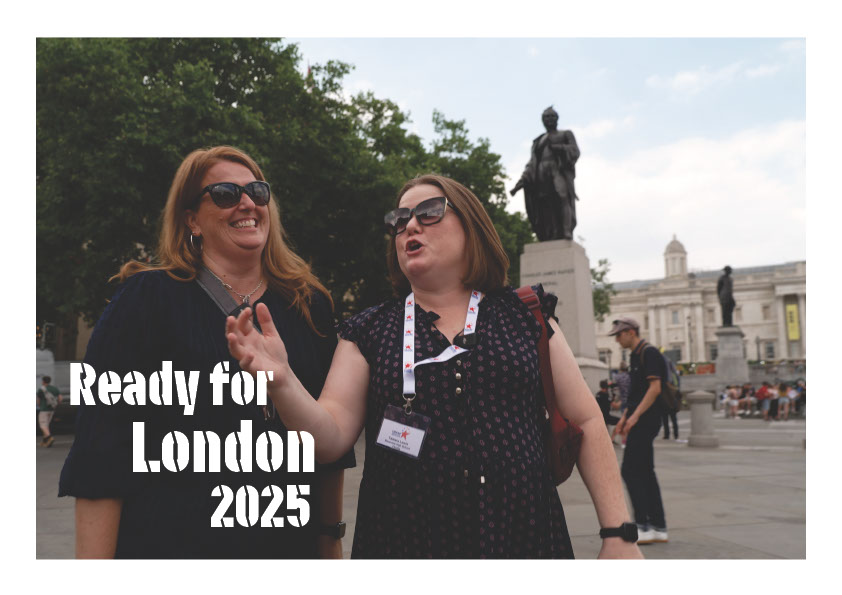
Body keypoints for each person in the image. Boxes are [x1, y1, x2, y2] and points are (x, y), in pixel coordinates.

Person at [227, 174, 643, 559]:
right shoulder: (368, 330)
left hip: (525, 541)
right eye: (400, 219)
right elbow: (330, 438)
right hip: (404, 546)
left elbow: (586, 420)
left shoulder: (525, 315)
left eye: (429, 212)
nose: (410, 225)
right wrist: (282, 383)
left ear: (471, 226)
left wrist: (618, 535)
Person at [58, 146, 354, 559]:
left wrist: (330, 542)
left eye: (256, 191)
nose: (247, 202)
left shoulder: (310, 304)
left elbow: (327, 450)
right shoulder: (144, 300)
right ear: (192, 219)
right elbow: (101, 454)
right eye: (225, 193)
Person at [609, 317, 668, 545]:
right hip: (639, 419)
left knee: (631, 471)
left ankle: (643, 525)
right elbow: (635, 393)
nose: (616, 339)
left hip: (647, 420)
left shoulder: (649, 352)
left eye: (619, 334)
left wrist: (633, 418)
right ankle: (658, 526)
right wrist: (624, 417)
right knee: (646, 471)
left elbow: (655, 389)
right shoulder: (635, 355)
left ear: (631, 332)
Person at [510, 107, 580, 241]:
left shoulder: (565, 134)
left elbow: (574, 151)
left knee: (562, 197)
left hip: (557, 169)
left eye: (552, 116)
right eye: (546, 117)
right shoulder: (539, 141)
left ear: (557, 118)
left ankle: (566, 230)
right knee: (545, 204)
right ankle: (550, 233)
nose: (549, 119)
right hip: (541, 174)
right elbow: (532, 163)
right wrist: (522, 181)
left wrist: (558, 148)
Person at [37, 376, 62, 447]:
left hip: (44, 410)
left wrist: (39, 406)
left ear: (43, 381)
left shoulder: (41, 389)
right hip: (51, 410)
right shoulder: (54, 389)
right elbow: (60, 398)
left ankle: (49, 437)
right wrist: (56, 404)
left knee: (42, 425)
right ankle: (45, 441)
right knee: (46, 425)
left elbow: (38, 400)